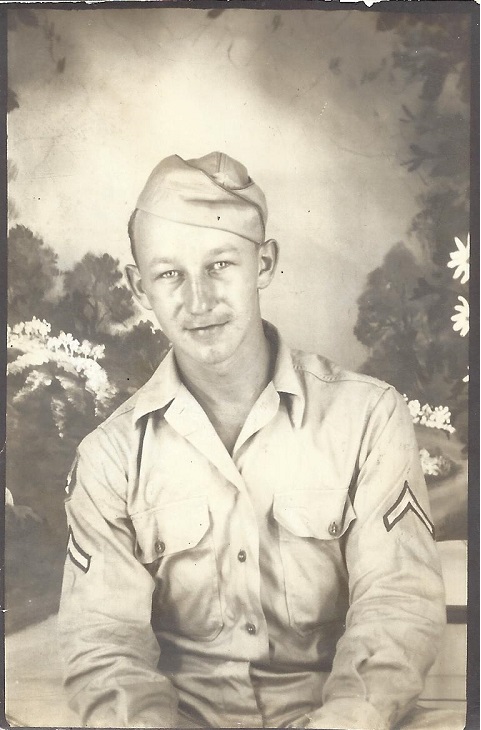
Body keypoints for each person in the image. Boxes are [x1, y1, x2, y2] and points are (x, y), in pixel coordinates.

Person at [58, 152, 455, 730]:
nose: (198, 301)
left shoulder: (367, 416)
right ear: (139, 287)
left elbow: (395, 606)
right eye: (169, 274)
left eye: (220, 264)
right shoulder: (108, 458)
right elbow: (105, 648)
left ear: (264, 263)